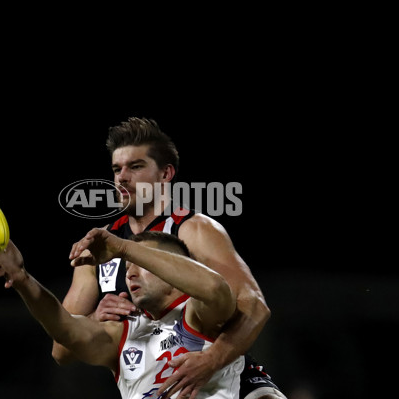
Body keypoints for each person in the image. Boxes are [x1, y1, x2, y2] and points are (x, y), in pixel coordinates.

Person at [52, 117, 286, 399]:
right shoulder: (97, 245)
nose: (122, 177)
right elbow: (60, 351)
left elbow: (256, 307)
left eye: (135, 167)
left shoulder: (194, 229)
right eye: (117, 169)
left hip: (222, 379)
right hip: (157, 387)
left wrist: (212, 360)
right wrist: (92, 318)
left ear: (165, 174)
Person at [0, 229, 245, 398]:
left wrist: (125, 248)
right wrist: (23, 280)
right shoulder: (123, 331)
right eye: (128, 266)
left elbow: (214, 287)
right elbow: (64, 329)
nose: (129, 273)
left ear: (173, 273)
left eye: (140, 265)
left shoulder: (199, 315)